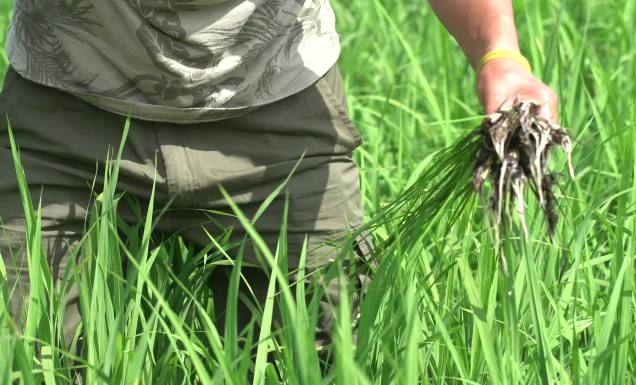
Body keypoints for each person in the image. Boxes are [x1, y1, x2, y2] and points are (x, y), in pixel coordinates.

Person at [0, 0, 558, 362]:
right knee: (28, 354)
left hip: (280, 111)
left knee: (317, 357)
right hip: (63, 107)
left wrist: (499, 54)